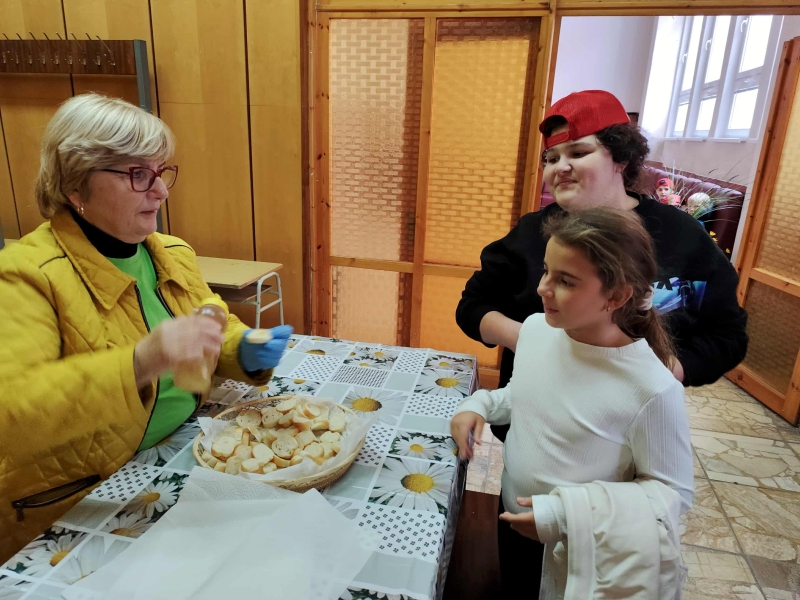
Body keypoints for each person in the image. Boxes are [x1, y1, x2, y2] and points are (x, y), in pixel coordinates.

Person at [0, 93, 292, 562]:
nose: (161, 192)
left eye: (161, 171)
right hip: (83, 499)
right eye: (138, 174)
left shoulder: (169, 251)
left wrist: (240, 348)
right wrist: (140, 362)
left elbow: (206, 322)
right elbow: (12, 414)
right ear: (75, 185)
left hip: (176, 455)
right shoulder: (25, 276)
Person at [456, 90, 747, 444]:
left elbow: (727, 335)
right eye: (551, 158)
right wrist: (537, 342)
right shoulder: (532, 233)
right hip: (534, 427)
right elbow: (472, 306)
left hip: (629, 433)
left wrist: (667, 369)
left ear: (621, 158)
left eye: (579, 153)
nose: (560, 167)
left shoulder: (682, 236)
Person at [451, 209, 693, 597]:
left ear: (617, 296)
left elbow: (671, 494)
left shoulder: (652, 388)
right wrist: (480, 404)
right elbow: (524, 395)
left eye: (565, 280)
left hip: (576, 549)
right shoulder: (536, 331)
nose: (542, 288)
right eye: (546, 271)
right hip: (510, 515)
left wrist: (564, 516)